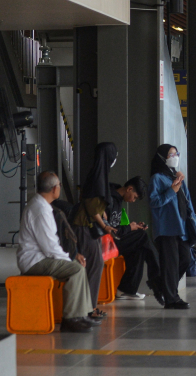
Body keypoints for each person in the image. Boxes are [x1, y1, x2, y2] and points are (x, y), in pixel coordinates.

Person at [18, 172, 96, 333]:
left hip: (40, 258)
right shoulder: (40, 210)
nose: (59, 187)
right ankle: (71, 319)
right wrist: (70, 259)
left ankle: (82, 314)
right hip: (34, 261)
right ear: (54, 189)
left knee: (76, 265)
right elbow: (50, 247)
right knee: (75, 269)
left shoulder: (41, 205)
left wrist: (72, 257)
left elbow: (51, 245)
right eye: (59, 185)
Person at [73, 141, 119, 320]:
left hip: (88, 226)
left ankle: (88, 306)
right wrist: (105, 225)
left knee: (92, 264)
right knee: (94, 264)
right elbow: (92, 207)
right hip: (85, 227)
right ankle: (88, 308)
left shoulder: (97, 174)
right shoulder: (97, 177)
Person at [149, 144, 196, 309]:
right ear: (162, 158)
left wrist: (193, 223)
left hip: (181, 227)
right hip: (166, 228)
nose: (175, 157)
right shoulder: (157, 178)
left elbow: (187, 201)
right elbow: (154, 202)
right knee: (170, 263)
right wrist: (172, 190)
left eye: (176, 153)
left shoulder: (176, 176)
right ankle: (171, 298)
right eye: (171, 154)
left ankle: (160, 284)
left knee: (186, 258)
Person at [108, 177, 164, 305]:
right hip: (107, 242)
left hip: (115, 239)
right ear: (129, 189)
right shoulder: (110, 200)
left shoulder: (117, 199)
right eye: (134, 197)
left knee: (139, 247)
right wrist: (130, 228)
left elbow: (116, 226)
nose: (133, 200)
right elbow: (109, 229)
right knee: (142, 236)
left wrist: (132, 227)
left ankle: (126, 290)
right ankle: (158, 279)